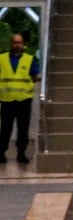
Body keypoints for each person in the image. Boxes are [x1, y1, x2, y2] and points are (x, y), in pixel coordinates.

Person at [0, 34, 40, 165]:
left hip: (24, 100)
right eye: (15, 42)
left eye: (20, 42)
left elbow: (36, 76)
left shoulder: (29, 60)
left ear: (23, 44)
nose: (17, 45)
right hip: (7, 100)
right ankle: (1, 153)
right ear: (11, 44)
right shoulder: (2, 59)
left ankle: (21, 153)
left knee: (23, 128)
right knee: (5, 129)